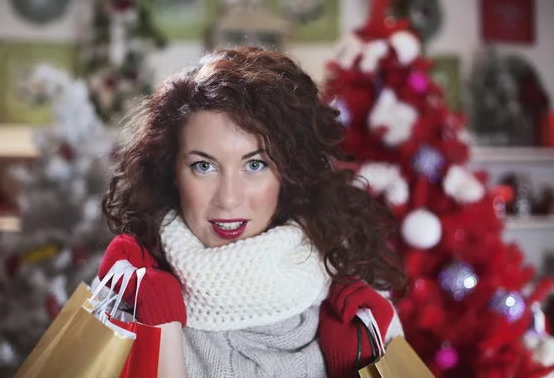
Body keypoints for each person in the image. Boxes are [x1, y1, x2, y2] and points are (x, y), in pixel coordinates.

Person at [97, 47, 407, 378]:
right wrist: (160, 332)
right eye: (204, 166)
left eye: (255, 164)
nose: (229, 199)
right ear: (172, 170)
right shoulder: (133, 287)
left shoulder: (353, 296)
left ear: (289, 172)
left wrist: (354, 367)